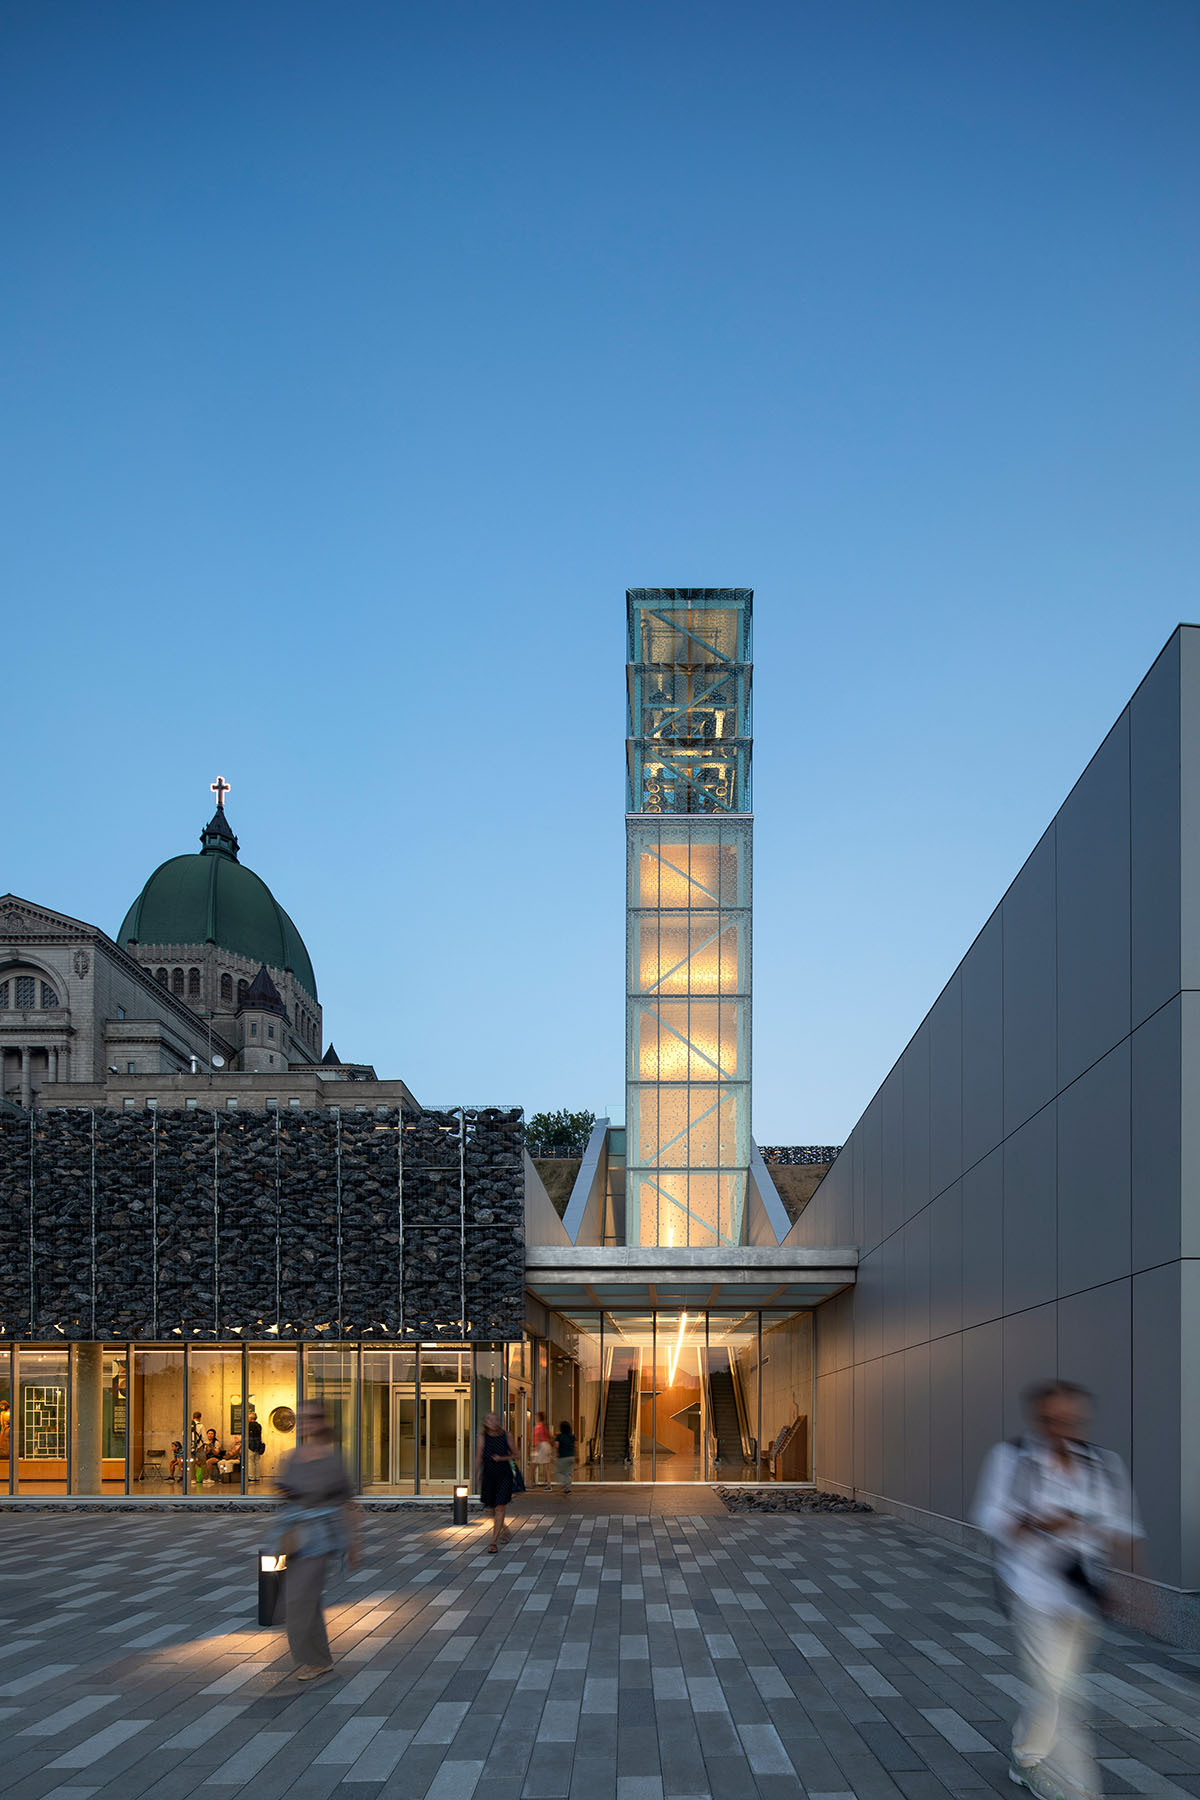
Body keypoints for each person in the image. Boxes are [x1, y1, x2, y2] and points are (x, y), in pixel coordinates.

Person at [973, 1380, 1143, 1800]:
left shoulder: (1103, 1464)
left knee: (1054, 1684)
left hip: (1081, 1592)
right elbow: (990, 1516)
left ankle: (1025, 1753)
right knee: (1060, 1690)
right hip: (1029, 1589)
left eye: (1070, 1420)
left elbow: (1124, 1529)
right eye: (1051, 1420)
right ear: (1038, 1419)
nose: (1061, 1429)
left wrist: (1141, 1591)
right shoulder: (1012, 1458)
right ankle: (1067, 1783)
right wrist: (1037, 1523)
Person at [272, 1401, 360, 1681]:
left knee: (300, 1598)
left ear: (321, 1422)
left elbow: (348, 1504)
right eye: (303, 1418)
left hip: (321, 1537)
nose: (307, 1422)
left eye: (312, 1417)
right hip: (293, 1536)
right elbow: (285, 1493)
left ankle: (316, 1660)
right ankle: (320, 1659)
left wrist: (355, 1544)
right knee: (298, 1598)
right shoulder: (292, 1457)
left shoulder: (333, 1460)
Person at [475, 1410, 518, 1553]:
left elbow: (516, 1455)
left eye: (496, 1419)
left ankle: (493, 1542)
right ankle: (504, 1529)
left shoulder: (507, 1436)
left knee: (500, 1507)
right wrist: (474, 1475)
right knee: (490, 1508)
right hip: (488, 1475)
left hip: (504, 1474)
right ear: (485, 1423)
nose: (493, 1422)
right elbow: (478, 1457)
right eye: (490, 1420)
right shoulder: (482, 1437)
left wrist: (502, 1458)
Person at [554, 1419, 575, 1495]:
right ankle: (568, 1489)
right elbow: (576, 1446)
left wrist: (555, 1455)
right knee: (568, 1473)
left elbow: (556, 1446)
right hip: (571, 1456)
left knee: (559, 1472)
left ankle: (563, 1483)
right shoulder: (572, 1436)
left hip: (562, 1457)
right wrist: (577, 1456)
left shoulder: (559, 1436)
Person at [532, 1412, 553, 1486]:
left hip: (542, 1446)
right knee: (545, 1466)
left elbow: (538, 1438)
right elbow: (550, 1436)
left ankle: (533, 1482)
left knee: (535, 1465)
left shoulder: (539, 1427)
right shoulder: (544, 1426)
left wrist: (535, 1448)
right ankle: (548, 1484)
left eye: (536, 1417)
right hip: (546, 1445)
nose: (535, 1418)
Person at [246, 1407, 265, 1484]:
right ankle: (257, 1476)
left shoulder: (249, 1425)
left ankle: (251, 1476)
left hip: (251, 1445)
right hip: (258, 1445)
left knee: (250, 1461)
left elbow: (248, 1436)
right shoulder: (259, 1425)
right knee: (257, 1461)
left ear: (250, 1418)